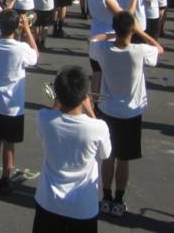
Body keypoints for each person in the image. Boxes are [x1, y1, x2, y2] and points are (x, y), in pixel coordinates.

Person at [88, 11, 164, 218]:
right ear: (131, 30)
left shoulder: (103, 49)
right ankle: (118, 199)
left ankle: (105, 197)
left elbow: (93, 39)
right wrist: (141, 31)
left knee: (108, 157)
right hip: (131, 112)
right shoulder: (139, 51)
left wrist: (112, 34)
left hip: (107, 109)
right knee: (124, 159)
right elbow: (159, 49)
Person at [33, 66, 111, 232]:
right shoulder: (98, 127)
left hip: (48, 201)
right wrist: (91, 111)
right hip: (83, 206)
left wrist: (58, 98)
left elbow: (52, 116)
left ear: (58, 94)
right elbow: (106, 153)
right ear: (84, 97)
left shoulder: (43, 118)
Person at [0, 10, 39, 195]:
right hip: (13, 106)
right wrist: (27, 30)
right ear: (16, 27)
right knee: (9, 144)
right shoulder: (21, 49)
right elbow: (35, 56)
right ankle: (6, 179)